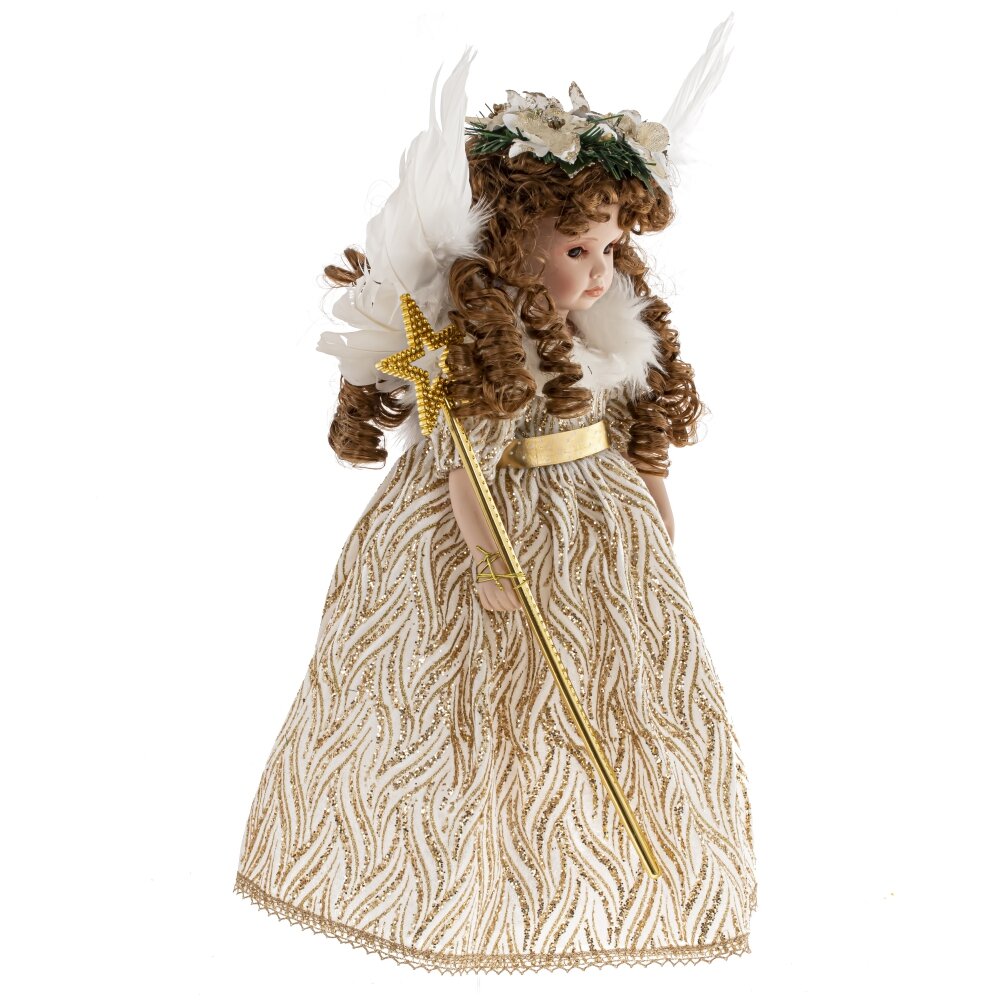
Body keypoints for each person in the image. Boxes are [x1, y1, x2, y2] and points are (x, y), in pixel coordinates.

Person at [234, 19, 756, 974]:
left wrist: (651, 499)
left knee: (617, 693)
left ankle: (603, 867)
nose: (599, 271)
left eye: (610, 249)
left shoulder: (610, 329)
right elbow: (460, 465)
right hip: (500, 533)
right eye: (577, 249)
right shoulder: (491, 347)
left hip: (597, 534)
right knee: (479, 696)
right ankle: (462, 877)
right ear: (515, 245)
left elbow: (636, 434)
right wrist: (488, 564)